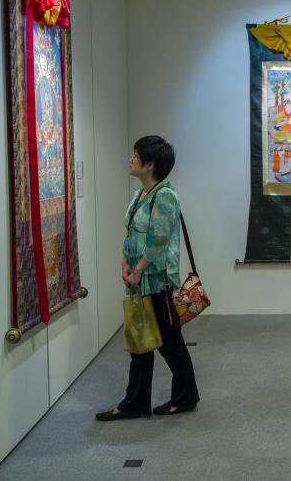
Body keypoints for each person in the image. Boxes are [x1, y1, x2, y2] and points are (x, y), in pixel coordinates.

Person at [96, 135, 200, 421]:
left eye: (136, 155)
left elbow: (157, 242)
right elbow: (131, 232)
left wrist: (138, 270)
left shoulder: (165, 195)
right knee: (140, 341)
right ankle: (135, 402)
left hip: (157, 281)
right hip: (137, 279)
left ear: (150, 164)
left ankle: (185, 397)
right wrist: (124, 263)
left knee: (169, 343)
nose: (130, 159)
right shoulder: (140, 193)